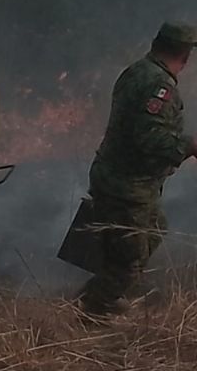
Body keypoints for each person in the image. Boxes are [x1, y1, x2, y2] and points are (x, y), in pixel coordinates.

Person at [80, 22, 197, 316]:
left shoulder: (136, 70)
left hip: (117, 177)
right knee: (129, 264)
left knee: (155, 228)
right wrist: (190, 146)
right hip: (127, 186)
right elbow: (150, 138)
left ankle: (101, 290)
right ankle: (94, 307)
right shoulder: (161, 87)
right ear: (185, 55)